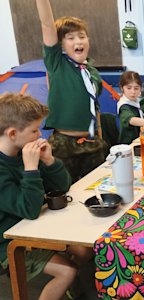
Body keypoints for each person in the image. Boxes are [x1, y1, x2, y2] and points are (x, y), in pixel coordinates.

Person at [0, 92, 90, 300]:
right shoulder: (12, 164)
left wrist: (49, 162)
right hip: (9, 240)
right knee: (66, 271)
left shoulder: (24, 150)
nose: (39, 135)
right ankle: (68, 279)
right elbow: (29, 210)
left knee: (84, 250)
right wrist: (30, 170)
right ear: (13, 133)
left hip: (38, 225)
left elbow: (62, 187)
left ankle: (71, 287)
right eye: (34, 130)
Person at [36, 0, 106, 183]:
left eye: (82, 36)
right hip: (64, 143)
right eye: (71, 37)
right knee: (66, 191)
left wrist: (100, 136)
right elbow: (46, 25)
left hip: (91, 142)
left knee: (98, 188)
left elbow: (94, 107)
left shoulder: (92, 72)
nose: (78, 41)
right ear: (60, 45)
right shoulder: (57, 64)